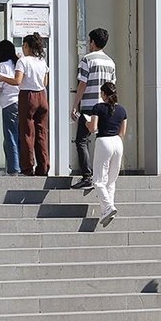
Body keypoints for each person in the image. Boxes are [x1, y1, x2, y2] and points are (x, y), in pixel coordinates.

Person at [0, 33, 49, 176]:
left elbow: (17, 81)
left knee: (27, 133)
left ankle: (27, 167)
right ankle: (43, 166)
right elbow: (45, 82)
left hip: (28, 96)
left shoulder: (23, 61)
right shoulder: (42, 61)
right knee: (41, 133)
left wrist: (2, 78)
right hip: (42, 96)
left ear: (26, 46)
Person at [70, 28, 116, 189]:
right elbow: (112, 86)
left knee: (81, 141)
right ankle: (101, 176)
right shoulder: (110, 62)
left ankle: (87, 176)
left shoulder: (87, 60)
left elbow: (82, 84)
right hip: (105, 107)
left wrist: (75, 105)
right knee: (102, 140)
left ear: (93, 42)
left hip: (89, 106)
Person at [87, 82, 127, 227]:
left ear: (103, 94)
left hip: (104, 141)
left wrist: (86, 123)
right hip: (117, 142)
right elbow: (122, 132)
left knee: (98, 180)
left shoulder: (98, 107)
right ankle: (107, 210)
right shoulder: (122, 110)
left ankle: (108, 207)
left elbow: (93, 128)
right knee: (111, 180)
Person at [0, 40, 21, 175]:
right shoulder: (18, 63)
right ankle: (22, 165)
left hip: (9, 104)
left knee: (10, 136)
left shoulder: (2, 66)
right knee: (20, 136)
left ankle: (14, 168)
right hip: (22, 102)